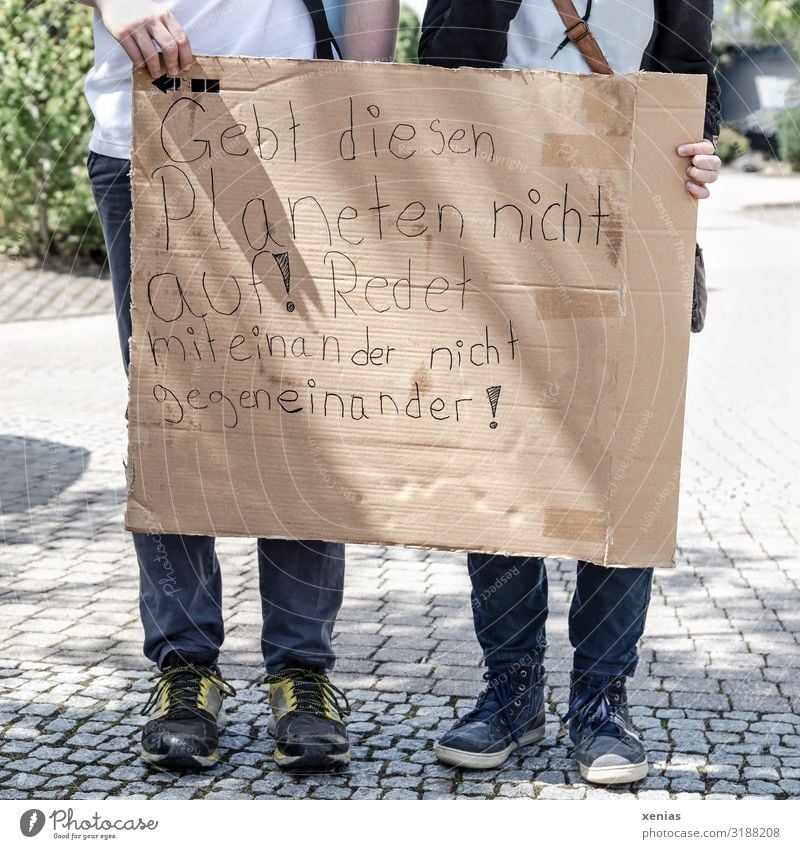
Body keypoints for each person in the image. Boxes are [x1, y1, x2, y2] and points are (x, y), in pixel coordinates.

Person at [82, 0, 398, 772]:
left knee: (300, 411)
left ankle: (301, 671)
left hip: (298, 131)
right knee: (173, 410)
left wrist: (364, 92)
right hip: (146, 130)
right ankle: (184, 670)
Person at [418, 0, 721, 785]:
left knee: (623, 470)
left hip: (631, 227)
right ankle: (512, 690)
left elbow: (692, 86)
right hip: (499, 231)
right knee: (502, 460)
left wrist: (699, 152)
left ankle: (601, 698)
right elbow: (436, 82)